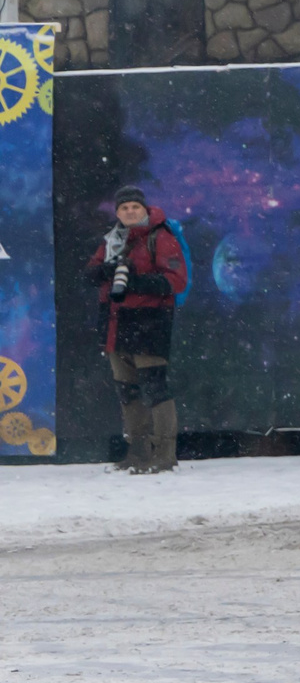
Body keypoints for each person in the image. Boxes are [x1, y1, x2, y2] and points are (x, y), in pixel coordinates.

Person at [84, 186, 187, 474]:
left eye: (135, 207)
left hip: (149, 323)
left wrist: (134, 281)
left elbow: (176, 281)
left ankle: (165, 454)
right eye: (124, 208)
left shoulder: (160, 237)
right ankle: (137, 452)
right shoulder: (111, 241)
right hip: (116, 325)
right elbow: (89, 273)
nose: (130, 212)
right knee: (127, 391)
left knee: (155, 388)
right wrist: (107, 271)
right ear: (117, 213)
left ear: (144, 209)